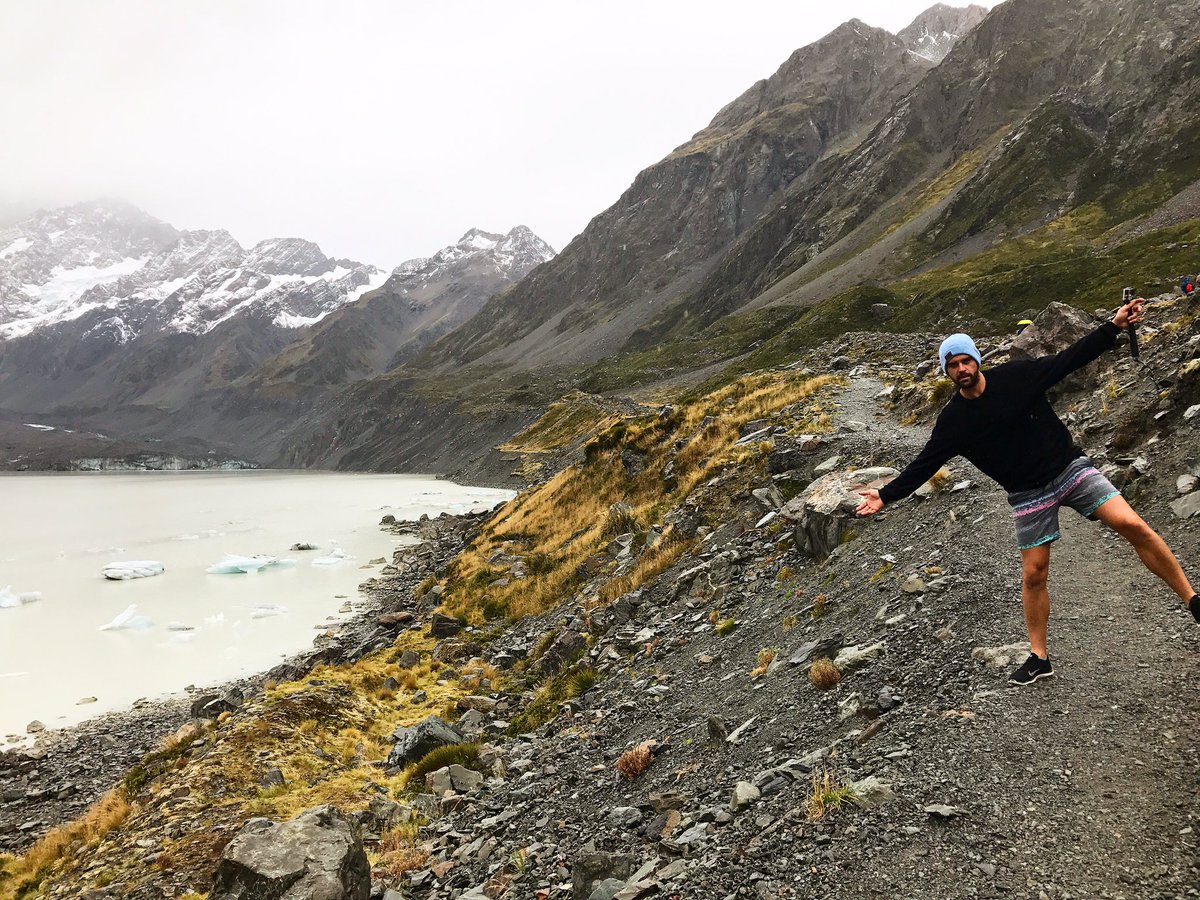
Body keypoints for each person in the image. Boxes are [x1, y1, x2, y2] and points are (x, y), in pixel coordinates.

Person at [855, 298, 1200, 685]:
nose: (961, 369)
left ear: (976, 360)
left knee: (1132, 524)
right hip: (1027, 494)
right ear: (947, 372)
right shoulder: (953, 421)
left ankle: (1192, 599)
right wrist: (885, 495)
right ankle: (1039, 656)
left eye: (965, 360)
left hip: (1068, 468)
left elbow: (1069, 359)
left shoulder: (1017, 376)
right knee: (1034, 574)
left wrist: (1113, 326)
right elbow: (924, 463)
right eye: (952, 365)